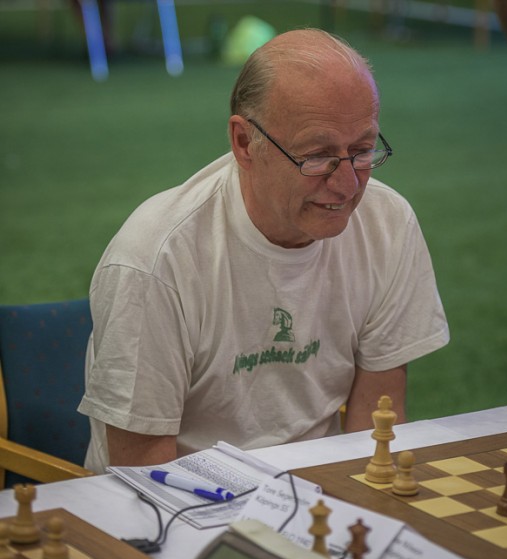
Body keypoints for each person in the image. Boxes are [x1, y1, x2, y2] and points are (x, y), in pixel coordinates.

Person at [78, 28, 449, 474]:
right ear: (244, 143)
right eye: (318, 155)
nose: (348, 184)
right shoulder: (156, 258)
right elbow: (142, 475)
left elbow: (376, 429)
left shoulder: (388, 224)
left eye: (363, 150)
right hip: (186, 499)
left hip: (320, 494)